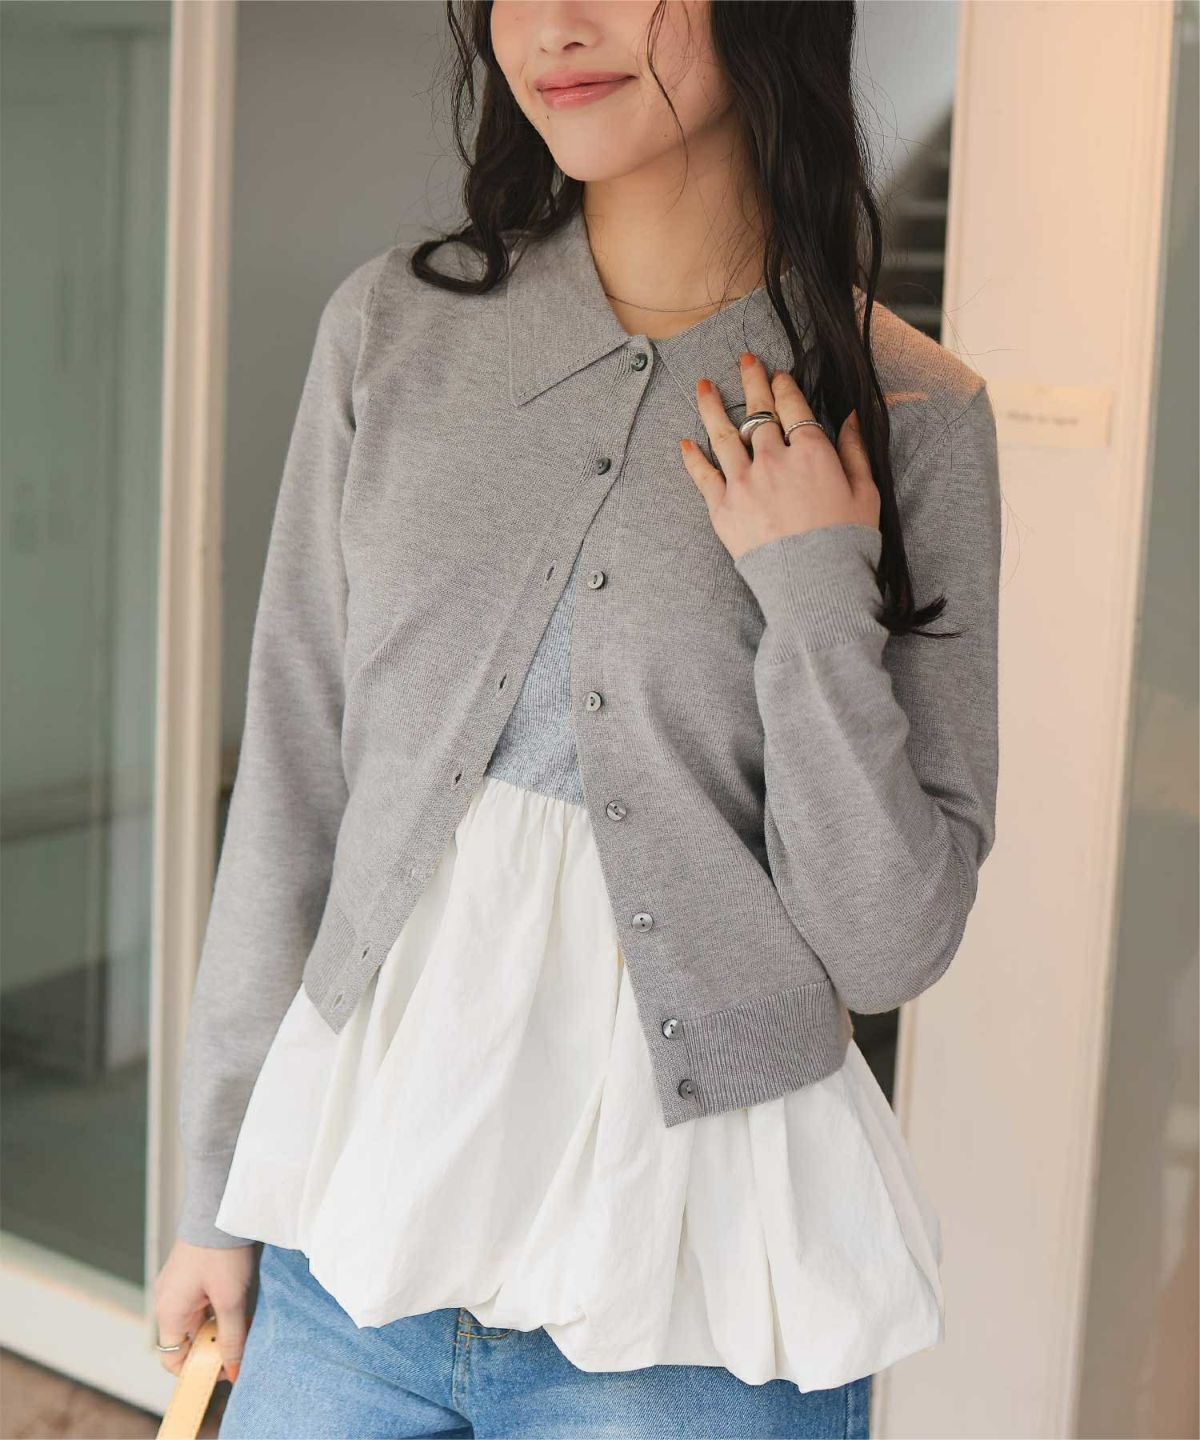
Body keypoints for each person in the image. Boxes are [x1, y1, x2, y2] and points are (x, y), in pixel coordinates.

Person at [153, 2, 1002, 1436]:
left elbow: (887, 946)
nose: (553, 25)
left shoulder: (911, 411)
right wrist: (212, 1185)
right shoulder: (392, 328)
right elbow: (294, 786)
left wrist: (815, 595)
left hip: (688, 1301)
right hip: (349, 1248)